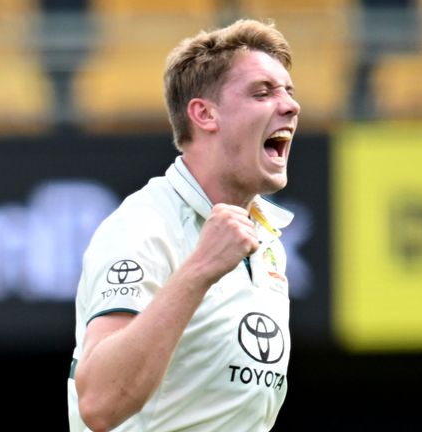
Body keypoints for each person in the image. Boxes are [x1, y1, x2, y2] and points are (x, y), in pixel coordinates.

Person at [67, 18, 301, 432]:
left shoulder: (265, 239)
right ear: (204, 114)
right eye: (262, 92)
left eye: (288, 91)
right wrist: (198, 270)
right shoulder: (142, 226)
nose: (289, 106)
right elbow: (99, 403)